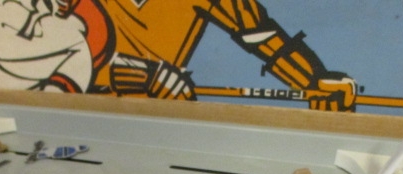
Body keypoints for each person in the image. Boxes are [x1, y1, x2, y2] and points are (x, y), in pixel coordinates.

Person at [93, 0, 357, 111]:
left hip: (160, 122)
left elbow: (259, 33)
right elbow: (75, 57)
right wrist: (138, 75)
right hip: (94, 116)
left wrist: (313, 82)